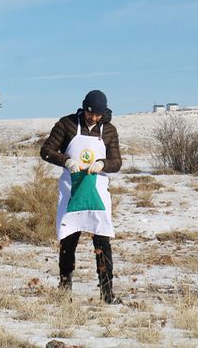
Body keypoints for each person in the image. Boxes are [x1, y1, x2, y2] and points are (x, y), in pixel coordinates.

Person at [40, 89, 122, 304]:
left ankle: (107, 292)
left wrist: (103, 163)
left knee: (102, 242)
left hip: (97, 193)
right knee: (68, 241)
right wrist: (65, 160)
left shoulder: (109, 130)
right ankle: (65, 287)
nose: (92, 117)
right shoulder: (66, 124)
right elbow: (46, 150)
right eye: (89, 112)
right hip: (72, 191)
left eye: (97, 114)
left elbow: (117, 162)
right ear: (83, 107)